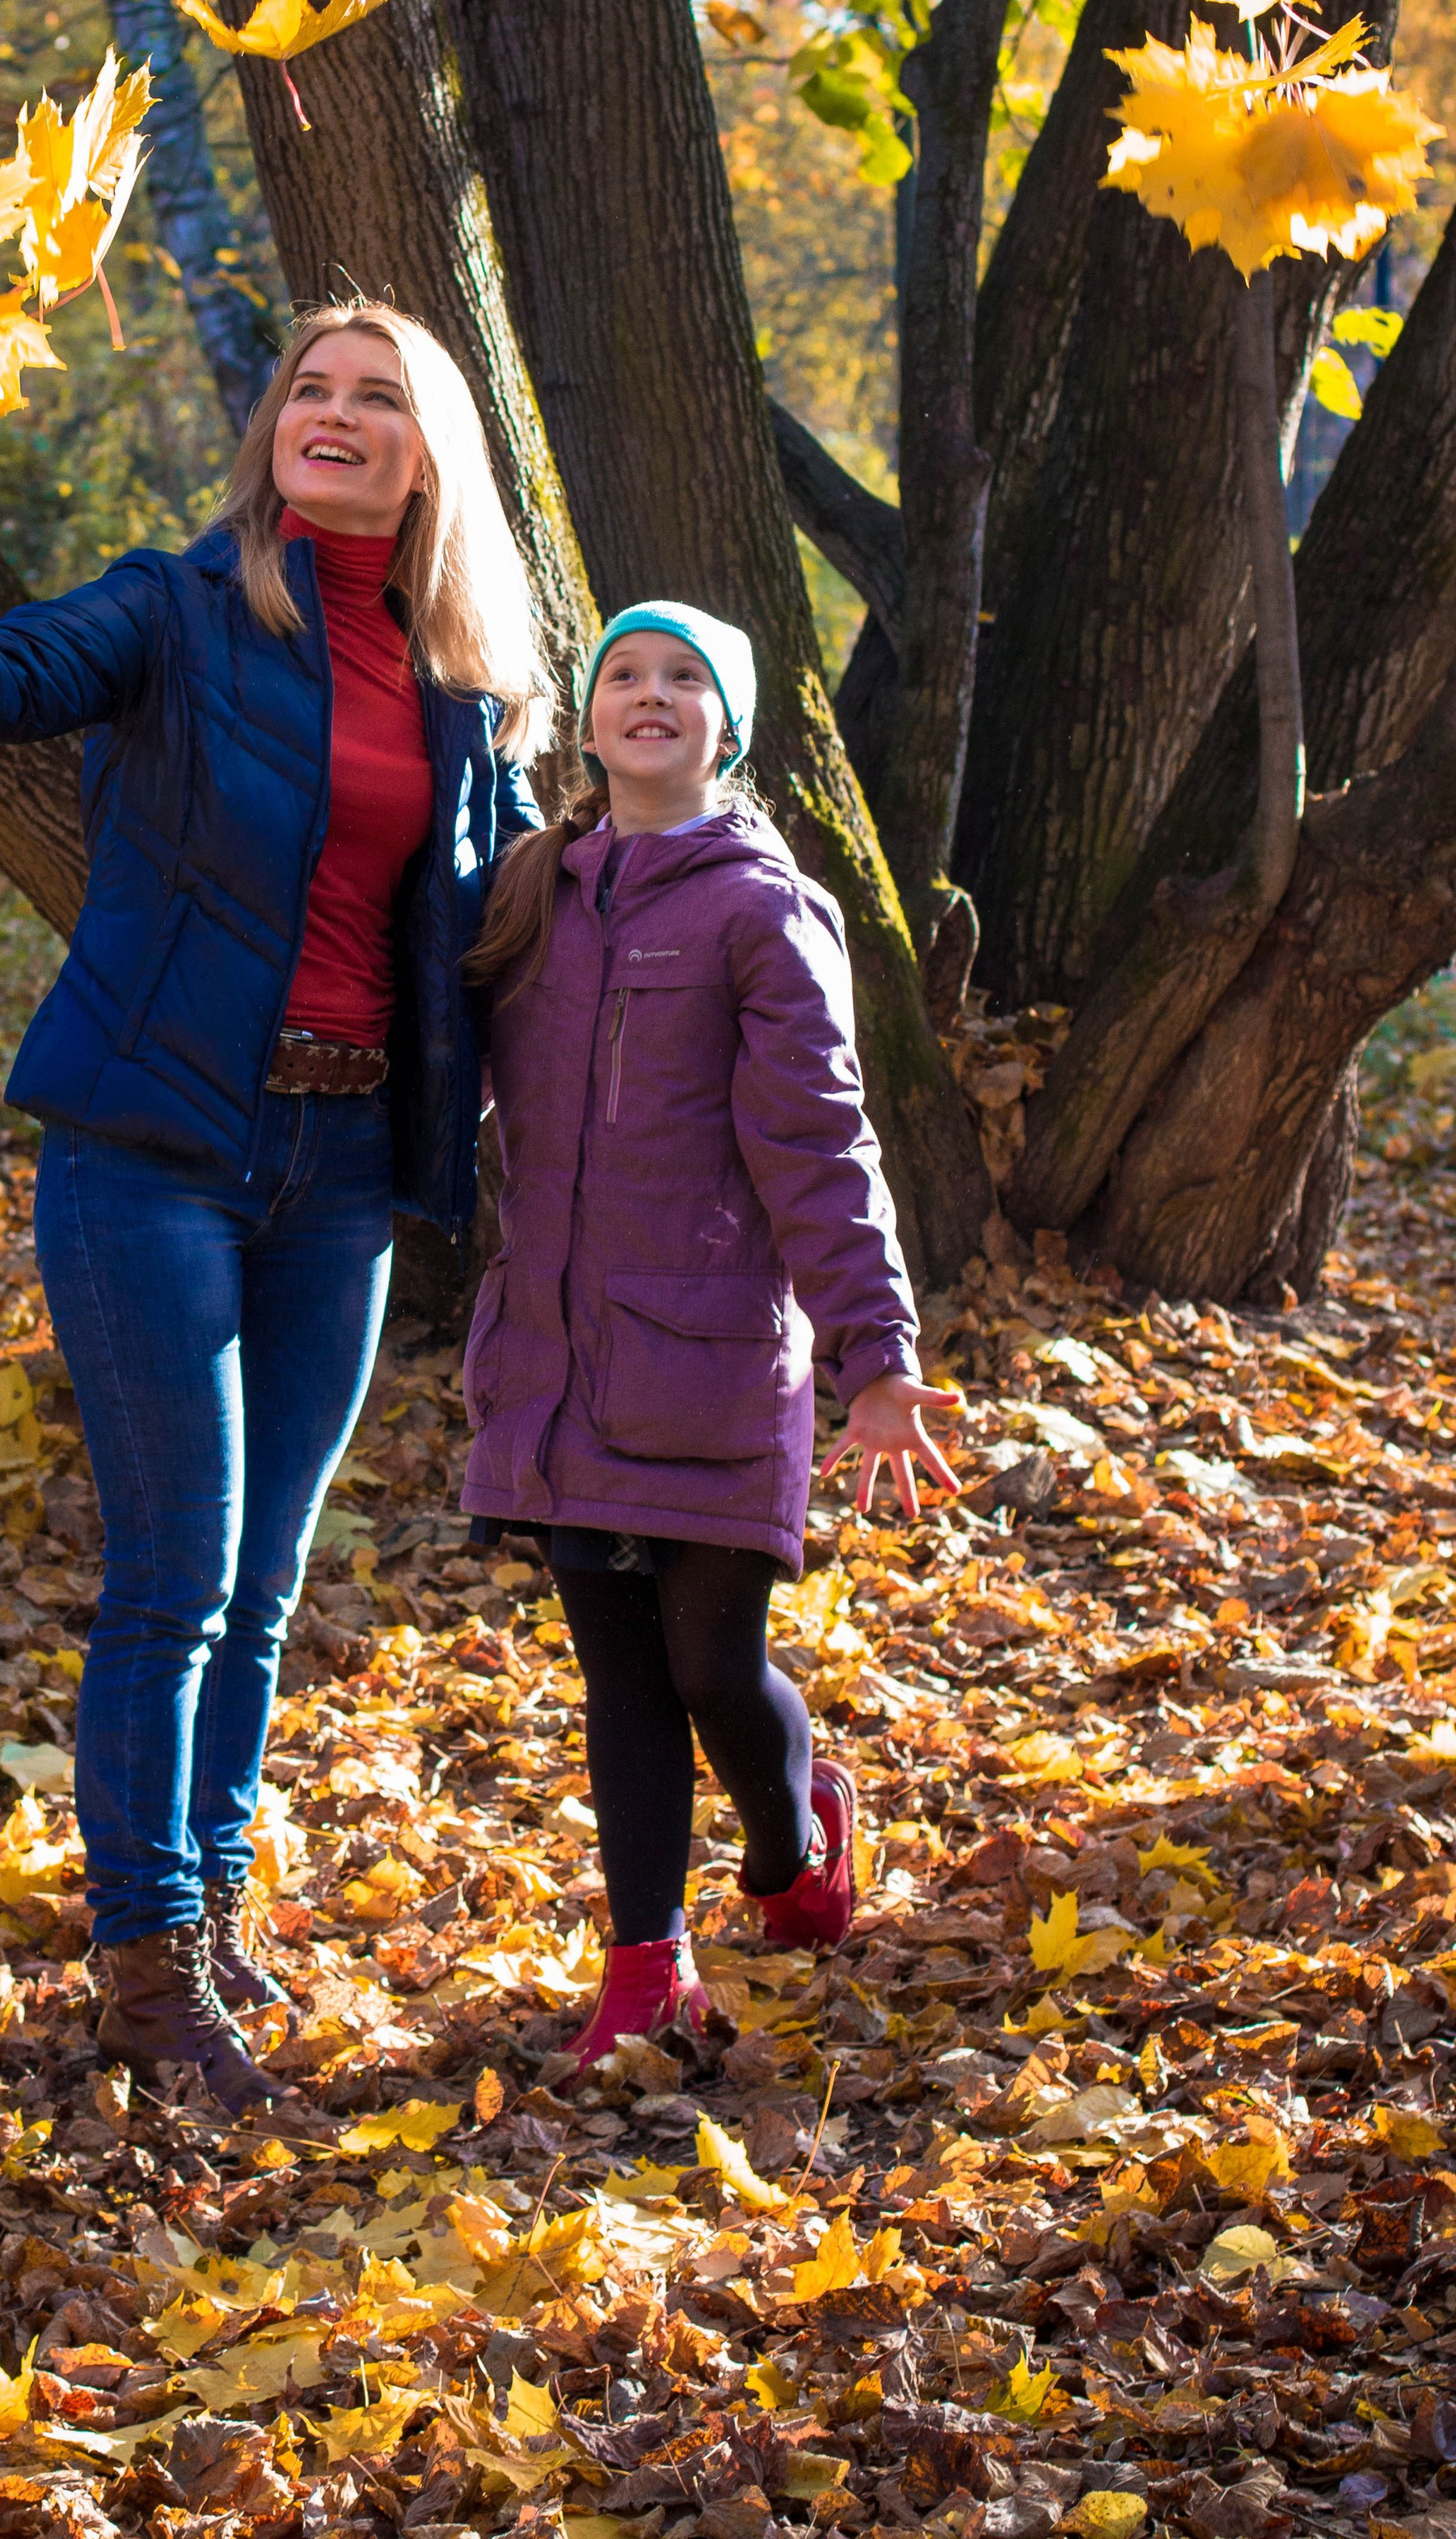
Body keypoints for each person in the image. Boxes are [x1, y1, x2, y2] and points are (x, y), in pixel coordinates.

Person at [0, 302, 547, 2114]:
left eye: (376, 398)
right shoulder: (179, 611)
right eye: (309, 387)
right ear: (271, 428)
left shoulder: (463, 683)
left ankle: (210, 1917)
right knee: (175, 1575)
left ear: (426, 450)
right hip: (151, 1152)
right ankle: (146, 1977)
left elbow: (508, 921)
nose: (334, 414)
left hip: (341, 1174)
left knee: (272, 1583)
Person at [459, 603, 958, 2071]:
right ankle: (644, 1969)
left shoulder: (763, 907)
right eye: (626, 674)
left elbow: (820, 1141)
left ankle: (799, 1824)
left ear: (728, 731)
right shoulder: (533, 891)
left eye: (687, 681)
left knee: (709, 1667)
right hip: (555, 1357)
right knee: (617, 1677)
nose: (652, 696)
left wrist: (875, 1354)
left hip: (721, 1353)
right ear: (592, 717)